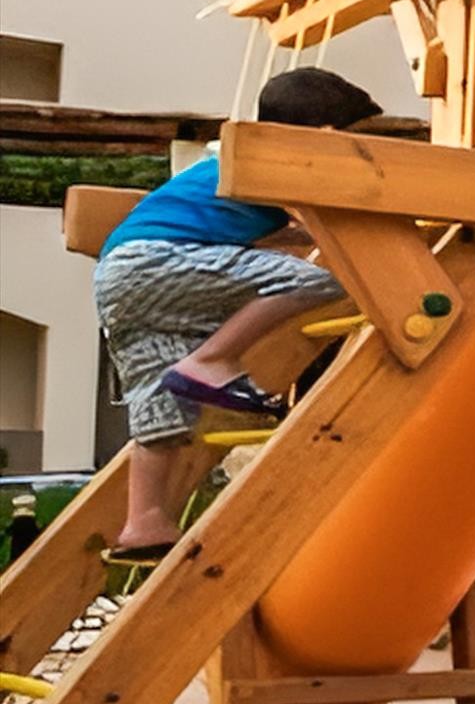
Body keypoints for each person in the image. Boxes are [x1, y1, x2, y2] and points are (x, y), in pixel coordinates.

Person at [90, 66, 383, 559]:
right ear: (325, 133)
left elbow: (268, 227)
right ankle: (214, 358)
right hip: (160, 259)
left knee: (160, 404)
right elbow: (327, 225)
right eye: (350, 137)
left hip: (119, 278)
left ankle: (144, 522)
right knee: (319, 280)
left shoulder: (227, 164)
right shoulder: (281, 160)